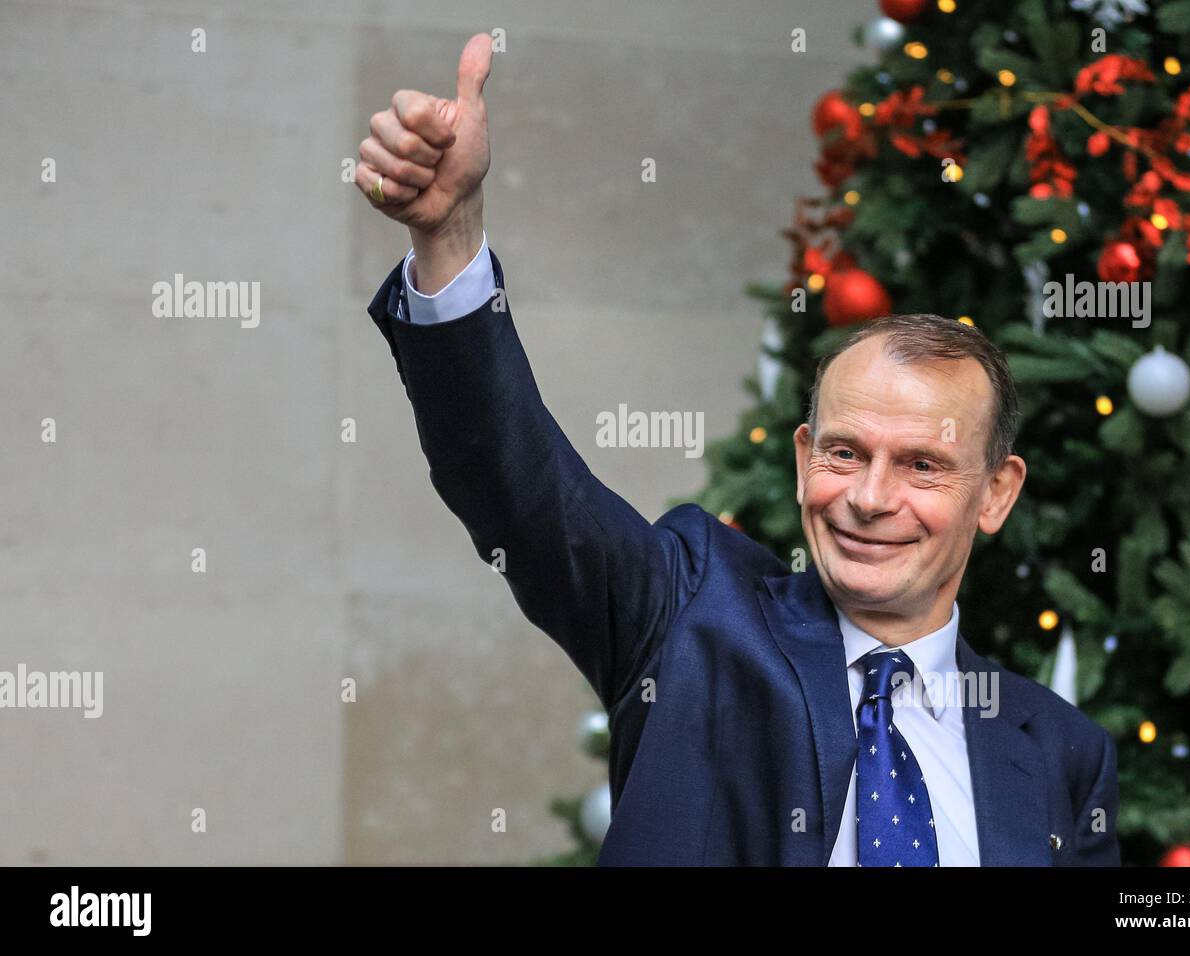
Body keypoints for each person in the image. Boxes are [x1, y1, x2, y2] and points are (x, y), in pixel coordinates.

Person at [353, 33, 1120, 866]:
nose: (869, 497)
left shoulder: (1060, 753)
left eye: (922, 465)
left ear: (997, 492)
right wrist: (451, 235)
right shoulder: (687, 614)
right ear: (802, 461)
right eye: (843, 453)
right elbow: (519, 484)